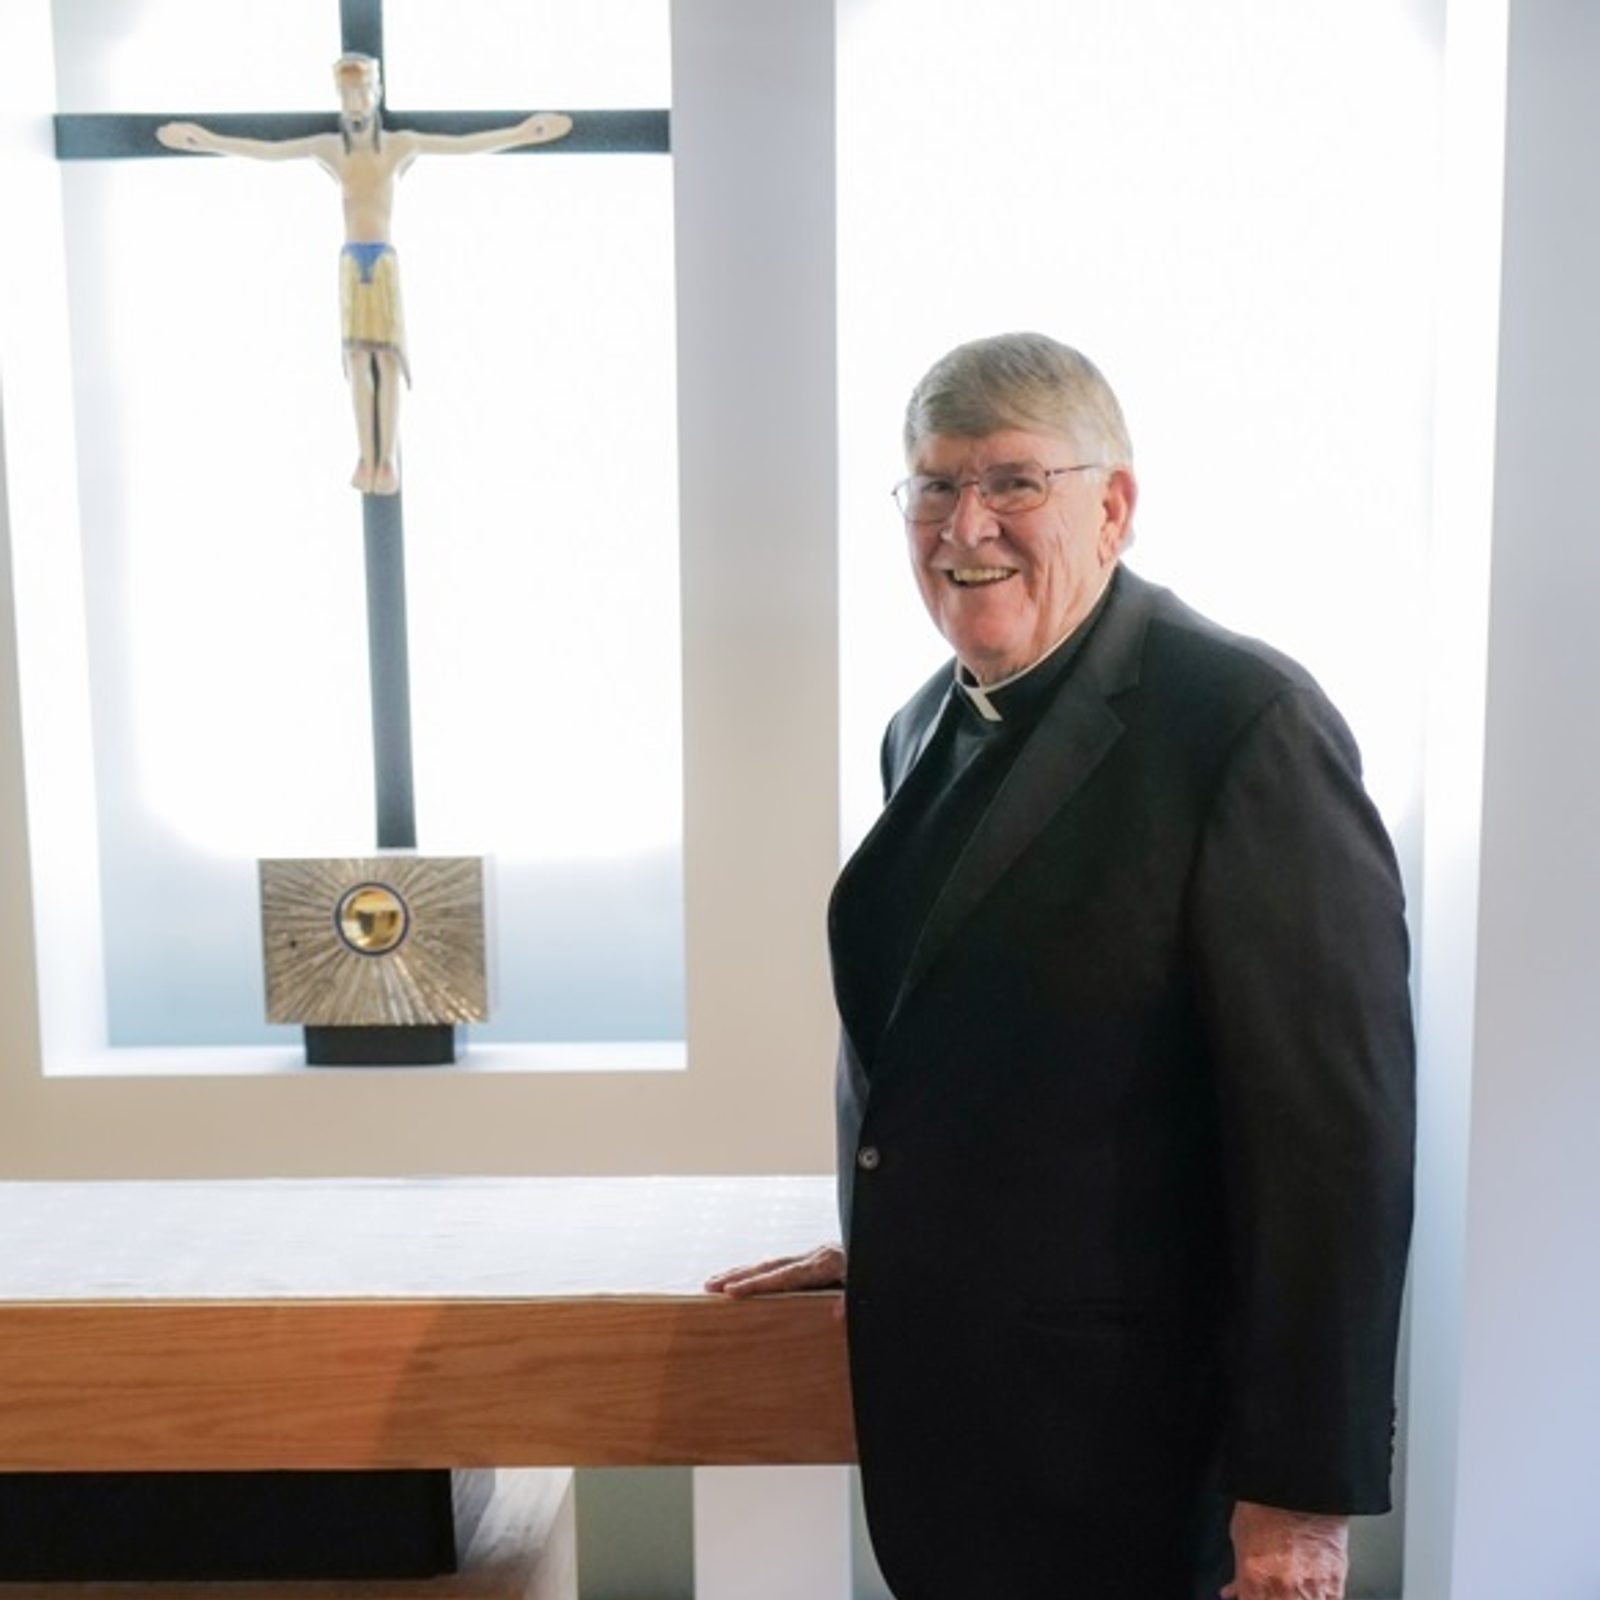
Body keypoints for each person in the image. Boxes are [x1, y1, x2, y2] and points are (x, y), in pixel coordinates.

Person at [707, 333, 1415, 1600]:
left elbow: (1331, 1154)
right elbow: (969, 1037)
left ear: (1114, 506)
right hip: (968, 1429)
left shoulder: (1244, 723)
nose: (963, 523)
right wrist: (900, 1227)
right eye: (932, 484)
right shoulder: (924, 718)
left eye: (1013, 481)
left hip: (1134, 1452)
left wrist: (1295, 1503)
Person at [157, 54, 571, 495]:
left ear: (377, 94)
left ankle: (387, 459)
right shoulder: (329, 149)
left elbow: (463, 143)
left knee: (387, 360)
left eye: (362, 93)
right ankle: (365, 457)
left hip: (383, 260)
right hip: (352, 262)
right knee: (358, 360)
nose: (355, 104)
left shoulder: (399, 146)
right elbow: (268, 152)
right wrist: (206, 140)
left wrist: (524, 134)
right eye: (347, 95)